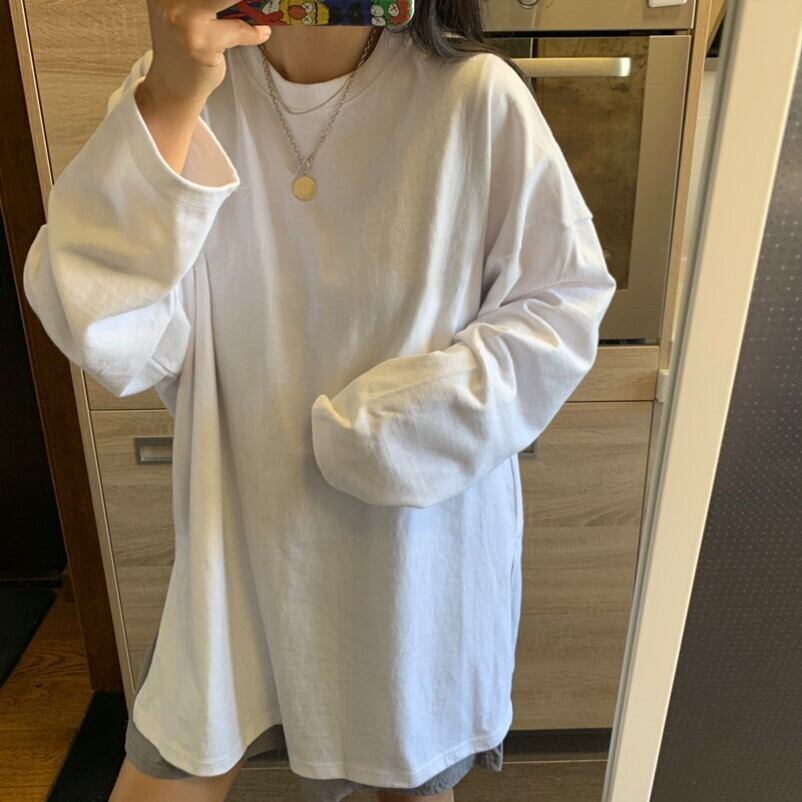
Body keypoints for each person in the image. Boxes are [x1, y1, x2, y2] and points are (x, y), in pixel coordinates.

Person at [21, 1, 617, 800]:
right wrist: (167, 100)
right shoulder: (187, 90)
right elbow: (99, 322)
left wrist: (393, 431)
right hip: (235, 535)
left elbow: (559, 307)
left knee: (403, 767)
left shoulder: (474, 97)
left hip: (412, 554)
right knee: (176, 758)